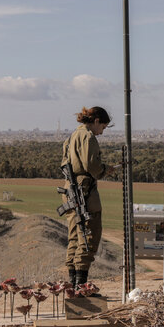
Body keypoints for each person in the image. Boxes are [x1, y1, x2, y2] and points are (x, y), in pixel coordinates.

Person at [61, 106, 111, 287]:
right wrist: (106, 169)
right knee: (89, 236)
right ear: (96, 121)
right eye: (102, 127)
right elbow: (92, 167)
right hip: (85, 191)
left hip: (70, 189)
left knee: (75, 236)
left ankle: (73, 284)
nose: (101, 132)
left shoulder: (72, 136)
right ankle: (81, 287)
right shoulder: (87, 137)